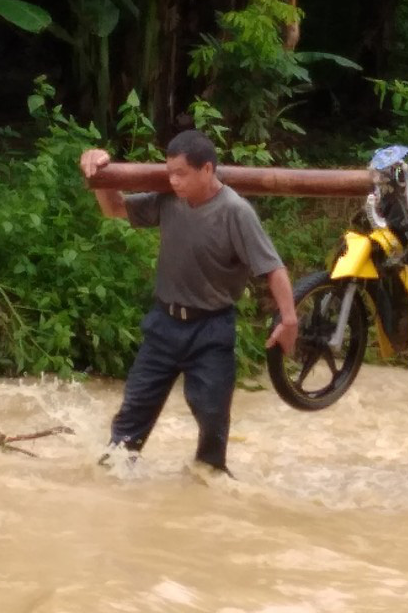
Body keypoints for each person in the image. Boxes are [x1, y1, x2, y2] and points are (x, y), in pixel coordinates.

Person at [79, 130, 298, 475]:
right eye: (169, 173)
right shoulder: (169, 199)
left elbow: (272, 268)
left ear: (207, 170)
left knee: (212, 419)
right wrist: (100, 170)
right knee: (132, 415)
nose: (173, 181)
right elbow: (115, 208)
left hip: (211, 328)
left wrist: (289, 320)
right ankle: (113, 480)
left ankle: (207, 486)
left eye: (181, 174)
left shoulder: (235, 211)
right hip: (164, 324)